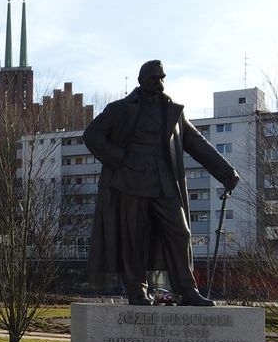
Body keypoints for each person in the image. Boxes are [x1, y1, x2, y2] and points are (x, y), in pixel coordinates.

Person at [84, 59, 240, 307]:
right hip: (130, 183)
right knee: (133, 239)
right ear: (141, 81)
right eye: (153, 78)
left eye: (161, 78)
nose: (158, 83)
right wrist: (121, 158)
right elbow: (91, 135)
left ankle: (188, 291)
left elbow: (197, 142)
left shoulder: (172, 111)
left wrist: (225, 171)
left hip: (164, 183)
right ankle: (137, 291)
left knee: (181, 233)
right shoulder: (120, 109)